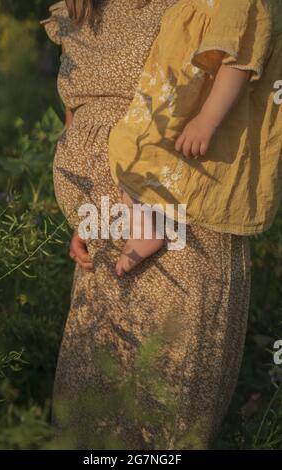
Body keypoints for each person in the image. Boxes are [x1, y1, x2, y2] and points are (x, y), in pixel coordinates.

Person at [41, 0, 254, 450]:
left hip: (179, 220)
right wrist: (85, 209)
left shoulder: (194, 6)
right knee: (91, 411)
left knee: (163, 414)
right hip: (104, 230)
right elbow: (78, 113)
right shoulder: (82, 10)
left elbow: (232, 76)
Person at [109, 0, 282, 276]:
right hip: (184, 94)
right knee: (134, 149)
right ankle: (147, 220)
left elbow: (238, 60)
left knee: (139, 150)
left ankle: (147, 226)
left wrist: (207, 121)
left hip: (200, 105)